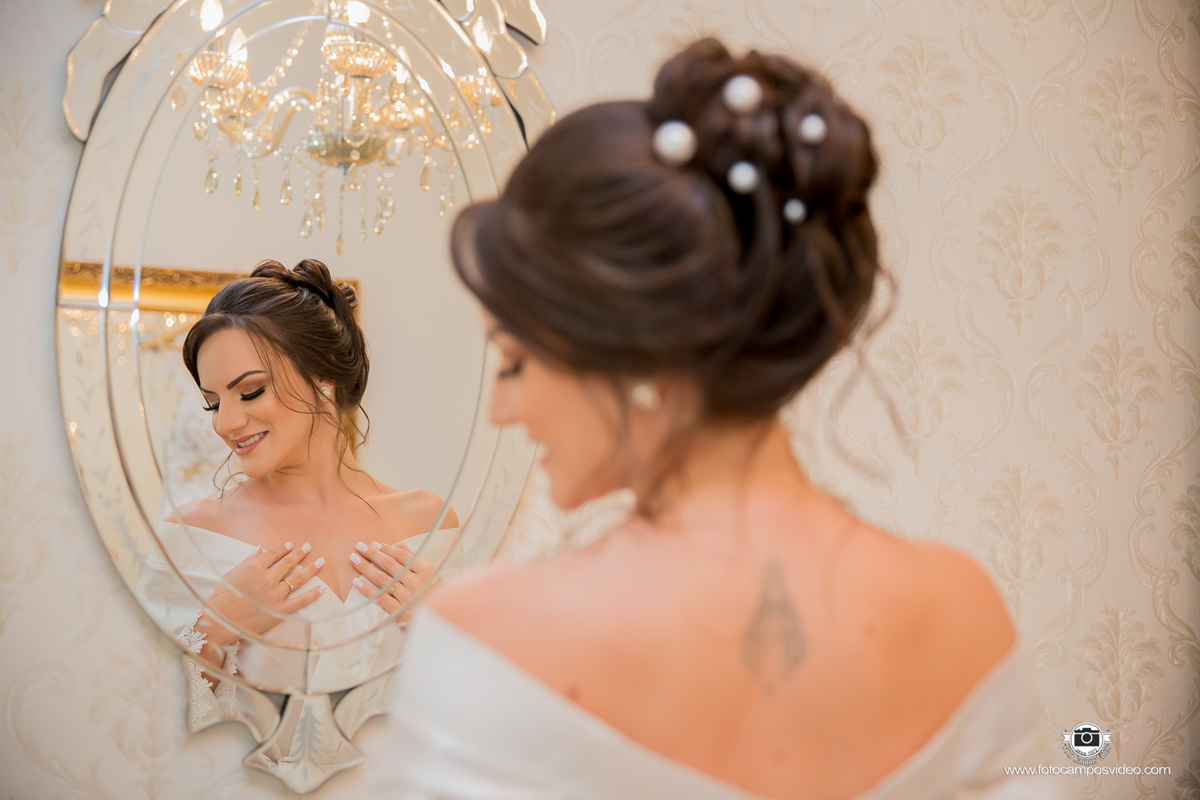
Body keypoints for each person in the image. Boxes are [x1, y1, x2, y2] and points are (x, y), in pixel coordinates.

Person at [374, 39, 1060, 799]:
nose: (502, 410)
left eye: (514, 361)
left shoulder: (488, 638)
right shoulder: (961, 611)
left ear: (637, 352)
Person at [135, 259, 458, 754]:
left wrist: (453, 635)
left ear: (323, 374)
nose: (224, 423)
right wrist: (215, 628)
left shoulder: (429, 524)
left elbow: (478, 724)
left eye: (249, 392)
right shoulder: (192, 535)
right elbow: (140, 728)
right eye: (213, 402)